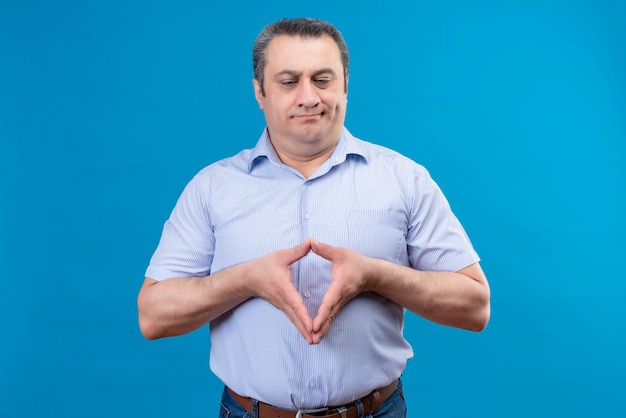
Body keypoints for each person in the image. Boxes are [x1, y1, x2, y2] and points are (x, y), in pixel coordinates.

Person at [138, 17, 490, 418]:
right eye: (289, 82)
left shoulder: (404, 179)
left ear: (345, 86)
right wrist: (245, 279)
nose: (309, 97)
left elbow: (475, 307)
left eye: (323, 79)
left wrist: (376, 276)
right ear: (260, 91)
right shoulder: (212, 187)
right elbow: (153, 316)